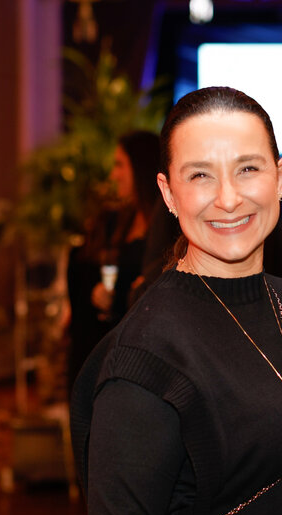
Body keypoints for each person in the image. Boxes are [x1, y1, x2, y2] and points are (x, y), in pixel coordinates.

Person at [71, 86, 282, 515]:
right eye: (200, 175)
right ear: (168, 194)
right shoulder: (146, 353)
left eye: (248, 169)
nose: (228, 197)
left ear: (281, 177)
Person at [66, 131, 179, 390]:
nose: (113, 175)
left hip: (139, 351)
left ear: (140, 167)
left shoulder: (165, 223)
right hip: (103, 340)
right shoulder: (118, 220)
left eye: (120, 164)